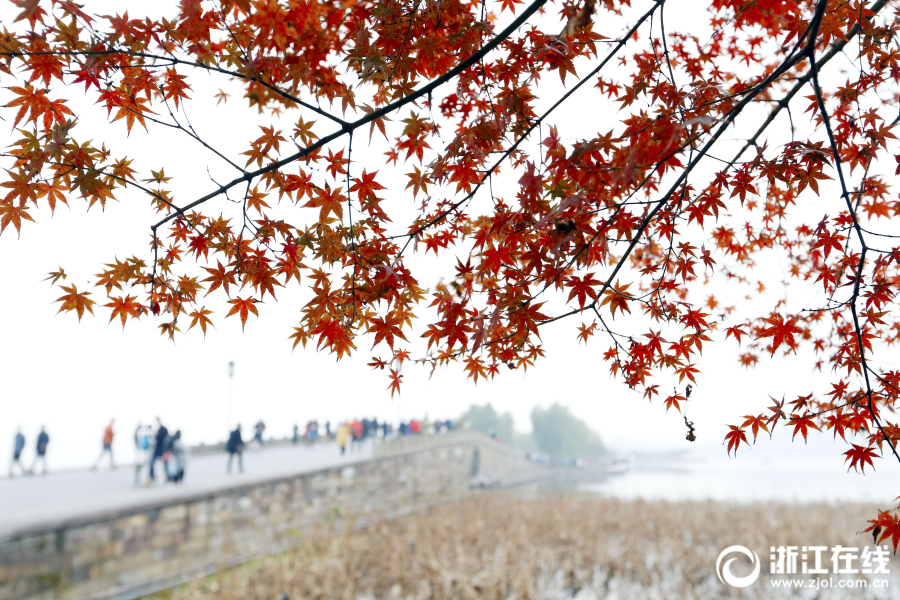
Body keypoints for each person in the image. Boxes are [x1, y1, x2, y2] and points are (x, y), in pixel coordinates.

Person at [148, 418, 168, 482]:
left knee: (165, 464)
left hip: (162, 449)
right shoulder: (156, 429)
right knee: (152, 463)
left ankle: (168, 476)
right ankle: (151, 476)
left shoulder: (162, 429)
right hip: (157, 449)